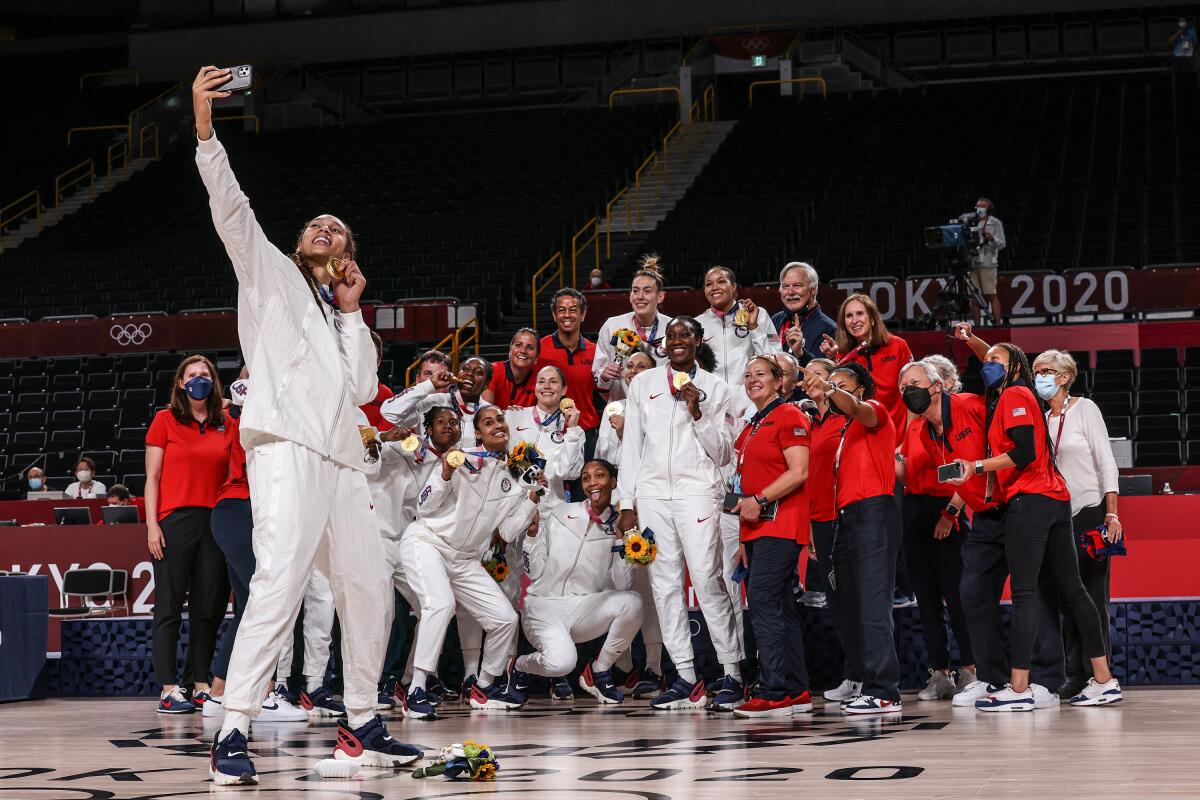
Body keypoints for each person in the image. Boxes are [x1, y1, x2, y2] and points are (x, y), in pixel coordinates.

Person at [193, 66, 418, 785]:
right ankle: (234, 727)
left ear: (348, 256)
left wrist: (355, 310)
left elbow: (360, 388)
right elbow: (232, 210)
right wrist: (205, 128)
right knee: (281, 580)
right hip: (285, 448)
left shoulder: (344, 313)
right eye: (317, 225)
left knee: (367, 586)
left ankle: (362, 722)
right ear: (302, 243)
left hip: (344, 460)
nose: (326, 228)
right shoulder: (272, 276)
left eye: (339, 229)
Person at [946, 340, 1122, 710]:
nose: (987, 363)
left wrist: (976, 467)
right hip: (1058, 500)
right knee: (1073, 592)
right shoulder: (1028, 400)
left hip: (1034, 501)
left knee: (1026, 594)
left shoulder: (1015, 395)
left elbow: (1023, 451)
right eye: (986, 359)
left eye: (996, 359)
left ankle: (1020, 689)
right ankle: (1104, 680)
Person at [616, 316, 744, 711]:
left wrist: (698, 413)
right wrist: (626, 502)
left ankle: (732, 674)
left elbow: (724, 453)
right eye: (671, 336)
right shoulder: (643, 384)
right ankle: (686, 676)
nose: (677, 341)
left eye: (685, 334)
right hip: (652, 495)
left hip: (697, 493)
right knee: (665, 585)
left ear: (698, 340)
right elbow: (632, 446)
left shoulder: (717, 387)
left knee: (708, 581)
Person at [399, 406, 542, 712]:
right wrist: (446, 474)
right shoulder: (463, 459)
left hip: (465, 560)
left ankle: (485, 685)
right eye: (488, 422)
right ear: (477, 433)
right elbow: (425, 508)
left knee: (505, 618)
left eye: (500, 420)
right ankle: (416, 690)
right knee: (439, 604)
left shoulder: (515, 475)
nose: (497, 425)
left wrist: (531, 498)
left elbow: (505, 531)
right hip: (428, 542)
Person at [203, 374, 308, 723]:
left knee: (250, 604)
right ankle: (264, 693)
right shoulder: (248, 411)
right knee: (269, 599)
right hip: (240, 508)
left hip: (237, 511)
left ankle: (219, 692)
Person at [801, 361, 901, 715]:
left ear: (859, 388)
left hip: (873, 511)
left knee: (873, 604)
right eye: (830, 383)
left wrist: (829, 389)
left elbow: (858, 408)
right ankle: (864, 679)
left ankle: (884, 690)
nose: (832, 387)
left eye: (841, 383)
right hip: (845, 517)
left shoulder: (873, 410)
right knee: (852, 604)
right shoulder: (838, 431)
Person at [509, 459, 644, 704]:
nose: (592, 482)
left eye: (600, 476)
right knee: (562, 663)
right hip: (543, 606)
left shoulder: (620, 525)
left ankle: (600, 671)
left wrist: (619, 541)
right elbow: (535, 571)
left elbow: (621, 585)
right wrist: (531, 537)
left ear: (613, 482)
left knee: (632, 602)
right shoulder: (562, 513)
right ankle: (520, 666)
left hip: (583, 609)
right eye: (586, 477)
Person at [144, 354, 235, 716]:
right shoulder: (164, 420)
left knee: (207, 608)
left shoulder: (226, 423)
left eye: (205, 375)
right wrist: (152, 525)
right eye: (192, 375)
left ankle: (200, 684)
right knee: (168, 606)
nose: (199, 379)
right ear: (181, 383)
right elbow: (152, 478)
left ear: (214, 382)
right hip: (173, 521)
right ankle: (168, 688)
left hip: (215, 522)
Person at [1031, 349, 1122, 700]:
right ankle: (1074, 672)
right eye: (1036, 370)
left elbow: (1106, 463)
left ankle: (1101, 674)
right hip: (1055, 515)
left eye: (1047, 370)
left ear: (1065, 377)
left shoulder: (1085, 409)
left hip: (1090, 510)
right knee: (1065, 598)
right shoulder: (1039, 418)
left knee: (1093, 595)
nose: (1039, 375)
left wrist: (1111, 513)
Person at [728, 356, 812, 718]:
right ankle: (796, 689)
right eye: (747, 376)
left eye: (760, 374)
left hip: (782, 524)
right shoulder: (751, 426)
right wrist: (745, 539)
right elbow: (743, 488)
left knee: (762, 601)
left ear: (780, 381)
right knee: (779, 605)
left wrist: (760, 500)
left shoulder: (789, 415)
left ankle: (775, 691)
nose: (752, 380)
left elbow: (799, 472)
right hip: (758, 528)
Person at [369, 406, 462, 718]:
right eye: (438, 423)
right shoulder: (388, 448)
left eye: (452, 422)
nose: (408, 433)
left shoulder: (443, 461)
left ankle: (407, 680)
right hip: (378, 538)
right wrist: (388, 437)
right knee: (382, 614)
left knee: (435, 607)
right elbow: (373, 452)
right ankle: (372, 684)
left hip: (409, 541)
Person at [896, 359, 975, 701]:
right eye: (902, 387)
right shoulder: (914, 426)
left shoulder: (961, 414)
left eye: (913, 383)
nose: (907, 391)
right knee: (926, 599)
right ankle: (939, 673)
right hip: (915, 513)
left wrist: (950, 513)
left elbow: (968, 470)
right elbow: (905, 475)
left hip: (949, 511)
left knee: (957, 597)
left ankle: (971, 670)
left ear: (938, 384)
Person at [594, 348, 666, 698]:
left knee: (649, 589)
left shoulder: (662, 405)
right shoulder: (613, 408)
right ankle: (622, 666)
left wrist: (628, 435)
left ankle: (653, 665)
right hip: (620, 505)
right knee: (621, 588)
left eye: (643, 366)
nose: (634, 370)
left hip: (652, 500)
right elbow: (605, 466)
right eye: (630, 365)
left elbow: (658, 457)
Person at [799, 358, 859, 702]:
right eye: (809, 376)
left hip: (847, 517)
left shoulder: (847, 419)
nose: (813, 380)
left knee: (857, 599)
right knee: (837, 602)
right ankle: (852, 673)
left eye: (820, 375)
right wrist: (807, 524)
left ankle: (868, 673)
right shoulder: (811, 422)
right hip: (819, 520)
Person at [818, 293, 912, 444]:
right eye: (848, 316)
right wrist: (833, 361)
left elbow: (911, 395)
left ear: (873, 318)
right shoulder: (844, 356)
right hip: (864, 438)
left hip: (899, 438)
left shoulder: (898, 346)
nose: (854, 321)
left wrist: (909, 440)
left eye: (860, 314)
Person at [593, 256, 672, 402]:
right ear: (630, 296)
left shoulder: (672, 328)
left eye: (647, 291)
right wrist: (604, 375)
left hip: (662, 408)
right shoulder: (613, 326)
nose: (640, 297)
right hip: (622, 409)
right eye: (635, 291)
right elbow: (597, 375)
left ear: (660, 296)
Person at [382, 354, 493, 448]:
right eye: (465, 369)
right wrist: (429, 385)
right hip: (433, 473)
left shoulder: (491, 414)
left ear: (486, 384)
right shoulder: (432, 403)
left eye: (478, 372)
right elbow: (389, 413)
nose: (469, 373)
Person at [697, 265, 780, 388]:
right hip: (714, 397)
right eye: (708, 284)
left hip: (750, 395)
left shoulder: (758, 314)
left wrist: (754, 328)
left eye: (721, 281)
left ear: (733, 286)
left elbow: (775, 358)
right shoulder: (697, 324)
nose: (714, 287)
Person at [539, 288, 601, 452]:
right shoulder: (539, 349)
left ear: (583, 314)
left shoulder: (595, 351)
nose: (567, 315)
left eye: (573, 310)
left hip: (586, 434)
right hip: (548, 433)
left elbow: (604, 391)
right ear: (554, 315)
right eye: (561, 310)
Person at [771, 262, 836, 365]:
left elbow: (821, 374)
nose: (790, 292)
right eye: (785, 286)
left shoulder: (828, 329)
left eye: (797, 285)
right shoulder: (775, 320)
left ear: (813, 289)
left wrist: (800, 353)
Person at [969, 198, 1006, 325]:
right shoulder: (971, 222)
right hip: (972, 264)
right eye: (977, 206)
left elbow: (1002, 245)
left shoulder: (996, 223)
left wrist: (992, 238)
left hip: (988, 264)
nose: (979, 209)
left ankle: (997, 324)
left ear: (989, 209)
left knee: (991, 294)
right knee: (974, 297)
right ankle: (978, 327)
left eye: (982, 207)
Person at [483, 328, 540, 409]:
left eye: (530, 347)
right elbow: (485, 413)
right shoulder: (493, 371)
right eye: (518, 345)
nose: (523, 351)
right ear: (510, 350)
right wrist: (507, 414)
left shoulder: (540, 380)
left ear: (537, 357)